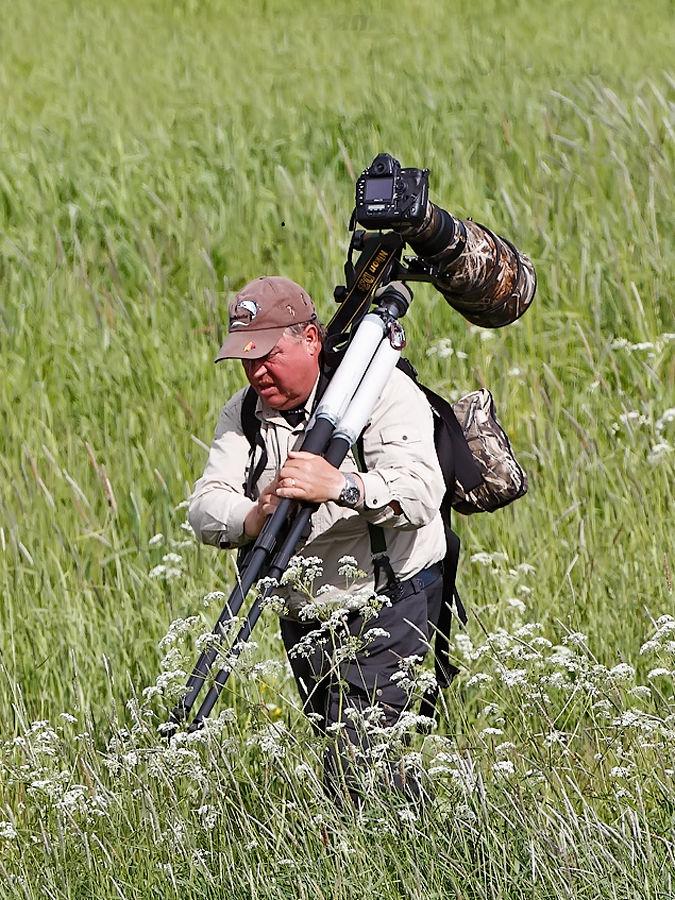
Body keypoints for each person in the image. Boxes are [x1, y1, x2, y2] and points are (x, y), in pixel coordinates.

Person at [188, 202, 536, 802]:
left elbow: (421, 493)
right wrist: (255, 513)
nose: (256, 371)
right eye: (246, 358)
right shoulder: (244, 414)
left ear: (310, 338)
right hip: (307, 612)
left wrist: (339, 486)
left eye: (268, 354)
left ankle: (437, 855)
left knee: (359, 763)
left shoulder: (378, 387)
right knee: (355, 759)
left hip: (391, 593)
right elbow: (204, 504)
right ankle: (430, 845)